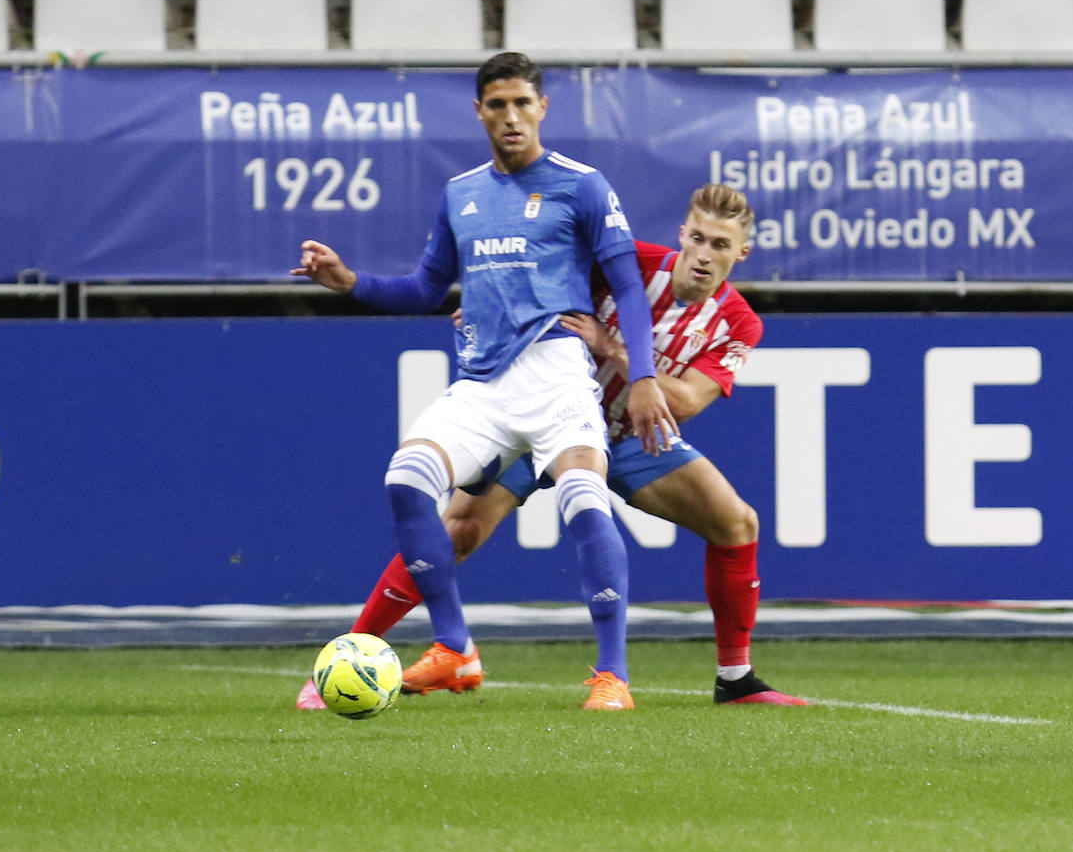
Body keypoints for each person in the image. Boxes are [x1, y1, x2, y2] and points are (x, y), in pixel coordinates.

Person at [298, 184, 808, 710]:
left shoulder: (740, 322)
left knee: (737, 522)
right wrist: (491, 312)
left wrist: (608, 345)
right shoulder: (626, 264)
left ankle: (735, 679)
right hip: (547, 413)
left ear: (742, 252)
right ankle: (350, 655)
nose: (704, 255)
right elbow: (531, 280)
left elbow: (683, 403)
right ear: (682, 234)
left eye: (720, 246)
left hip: (631, 437)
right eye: (697, 239)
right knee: (459, 529)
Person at [292, 52, 677, 711]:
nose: (511, 117)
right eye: (497, 105)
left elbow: (628, 289)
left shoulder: (582, 185)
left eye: (523, 103)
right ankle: (455, 647)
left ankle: (612, 676)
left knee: (584, 502)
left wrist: (642, 376)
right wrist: (351, 283)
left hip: (557, 375)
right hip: (483, 383)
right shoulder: (461, 194)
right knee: (406, 482)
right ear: (480, 112)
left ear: (543, 108)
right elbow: (423, 288)